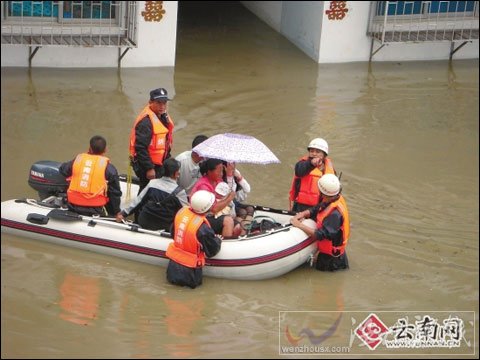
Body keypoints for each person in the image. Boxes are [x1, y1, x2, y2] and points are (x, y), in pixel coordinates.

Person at [290, 174, 350, 272]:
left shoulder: (335, 214)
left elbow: (320, 234)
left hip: (332, 261)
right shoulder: (334, 198)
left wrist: (299, 225)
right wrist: (304, 213)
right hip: (330, 255)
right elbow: (318, 208)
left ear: (324, 194)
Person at [166, 190, 222, 289]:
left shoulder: (181, 213)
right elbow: (212, 251)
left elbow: (173, 233)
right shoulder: (203, 229)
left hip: (172, 268)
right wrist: (218, 240)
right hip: (190, 273)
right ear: (207, 208)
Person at [116, 158, 188, 232]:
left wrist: (123, 214)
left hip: (145, 221)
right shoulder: (180, 192)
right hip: (165, 226)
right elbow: (186, 213)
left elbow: (138, 201)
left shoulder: (152, 183)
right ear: (176, 174)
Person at [59, 135, 122, 217]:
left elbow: (63, 170)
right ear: (105, 150)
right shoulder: (109, 168)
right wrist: (116, 212)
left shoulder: (78, 161)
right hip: (96, 209)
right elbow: (115, 193)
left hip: (73, 206)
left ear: (89, 148)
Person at [129, 87, 175, 193]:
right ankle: (139, 209)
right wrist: (149, 168)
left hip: (159, 163)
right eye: (159, 103)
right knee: (146, 190)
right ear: (150, 102)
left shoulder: (162, 117)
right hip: (147, 165)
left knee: (155, 189)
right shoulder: (146, 123)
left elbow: (165, 141)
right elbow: (140, 147)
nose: (162, 106)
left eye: (164, 103)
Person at [190, 158, 241, 238]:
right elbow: (213, 209)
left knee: (238, 227)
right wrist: (229, 198)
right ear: (209, 172)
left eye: (222, 171)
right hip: (202, 216)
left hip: (213, 213)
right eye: (219, 171)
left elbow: (227, 191)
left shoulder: (217, 180)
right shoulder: (203, 186)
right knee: (228, 221)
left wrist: (229, 174)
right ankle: (224, 244)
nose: (221, 174)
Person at [289, 138, 336, 212]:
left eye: (317, 152)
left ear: (324, 154)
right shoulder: (302, 164)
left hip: (318, 207)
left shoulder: (329, 169)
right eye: (312, 151)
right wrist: (311, 164)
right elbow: (299, 171)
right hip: (299, 205)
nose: (314, 154)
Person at [222, 161, 254, 229]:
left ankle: (246, 228)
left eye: (233, 163)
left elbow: (247, 189)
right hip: (226, 202)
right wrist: (229, 176)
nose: (233, 165)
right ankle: (240, 229)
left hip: (234, 199)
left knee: (250, 208)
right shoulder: (221, 175)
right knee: (243, 212)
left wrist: (239, 177)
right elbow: (228, 193)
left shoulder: (235, 172)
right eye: (230, 164)